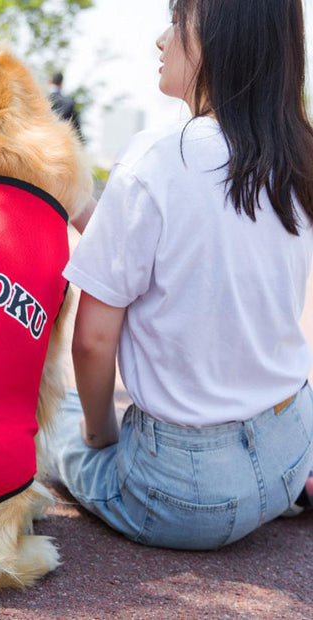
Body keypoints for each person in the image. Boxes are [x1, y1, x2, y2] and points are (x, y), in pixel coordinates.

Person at [47, 0, 313, 550]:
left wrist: (101, 438)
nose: (160, 39)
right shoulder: (295, 158)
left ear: (220, 40)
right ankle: (287, 491)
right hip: (292, 442)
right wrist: (88, 215)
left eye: (177, 21)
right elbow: (195, 252)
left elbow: (94, 342)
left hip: (186, 494)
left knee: (57, 423)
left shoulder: (156, 158)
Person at [49, 71, 84, 142]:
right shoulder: (69, 103)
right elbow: (76, 128)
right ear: (61, 84)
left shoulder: (42, 100)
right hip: (62, 141)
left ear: (50, 81)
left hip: (46, 140)